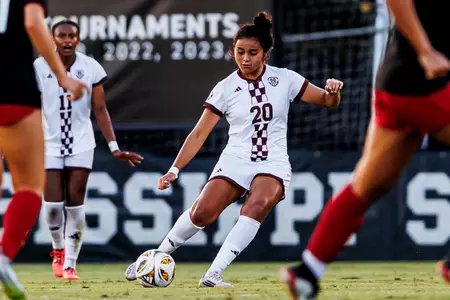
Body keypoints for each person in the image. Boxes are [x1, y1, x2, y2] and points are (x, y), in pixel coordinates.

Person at [124, 11, 343, 287]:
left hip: (273, 160)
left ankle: (213, 273)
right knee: (202, 212)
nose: (246, 58)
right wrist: (174, 170)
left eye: (253, 52)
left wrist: (333, 92)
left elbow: (326, 101)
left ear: (265, 54)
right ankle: (154, 257)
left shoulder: (286, 79)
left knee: (259, 204)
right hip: (236, 158)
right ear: (233, 52)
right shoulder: (225, 88)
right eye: (240, 52)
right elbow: (198, 133)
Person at [281, 0, 450, 298]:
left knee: (367, 186)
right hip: (424, 85)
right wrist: (425, 50)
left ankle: (308, 270)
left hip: (398, 86)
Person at [34, 19, 144, 281]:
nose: (68, 40)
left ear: (78, 38)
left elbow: (100, 109)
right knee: (51, 205)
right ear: (54, 39)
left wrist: (114, 147)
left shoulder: (90, 66)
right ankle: (58, 249)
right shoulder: (39, 66)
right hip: (48, 142)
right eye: (62, 36)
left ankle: (70, 263)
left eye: (72, 35)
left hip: (82, 142)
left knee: (75, 200)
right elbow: (31, 106)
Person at [0, 1, 87, 298]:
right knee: (28, 186)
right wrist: (63, 76)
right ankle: (3, 256)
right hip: (12, 88)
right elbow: (33, 22)